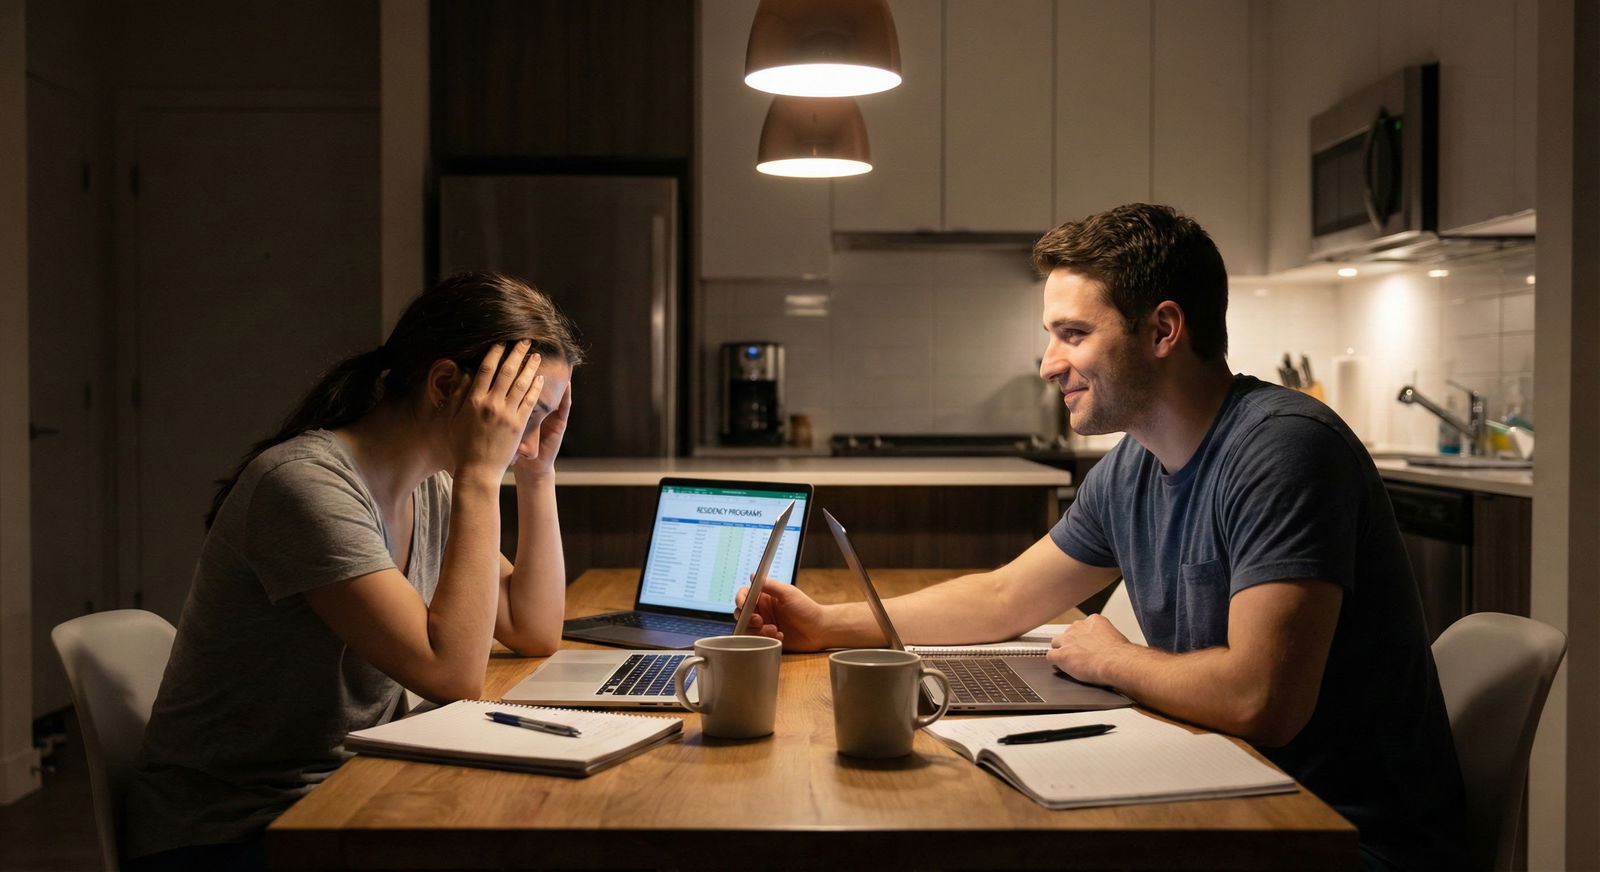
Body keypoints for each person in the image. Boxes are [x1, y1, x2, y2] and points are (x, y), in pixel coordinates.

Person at [740, 204, 1465, 871]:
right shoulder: (1137, 466)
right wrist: (826, 626)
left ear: (1162, 331)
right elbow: (1003, 597)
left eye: (1073, 334)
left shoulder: (1284, 449)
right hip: (1232, 793)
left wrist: (1117, 659)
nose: (1051, 363)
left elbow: (1260, 701)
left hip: (1341, 840)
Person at [125, 272, 584, 871]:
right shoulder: (304, 485)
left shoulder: (434, 489)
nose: (526, 442)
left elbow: (532, 628)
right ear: (446, 384)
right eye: (525, 416)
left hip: (354, 793)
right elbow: (453, 677)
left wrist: (537, 472)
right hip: (242, 830)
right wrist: (479, 474)